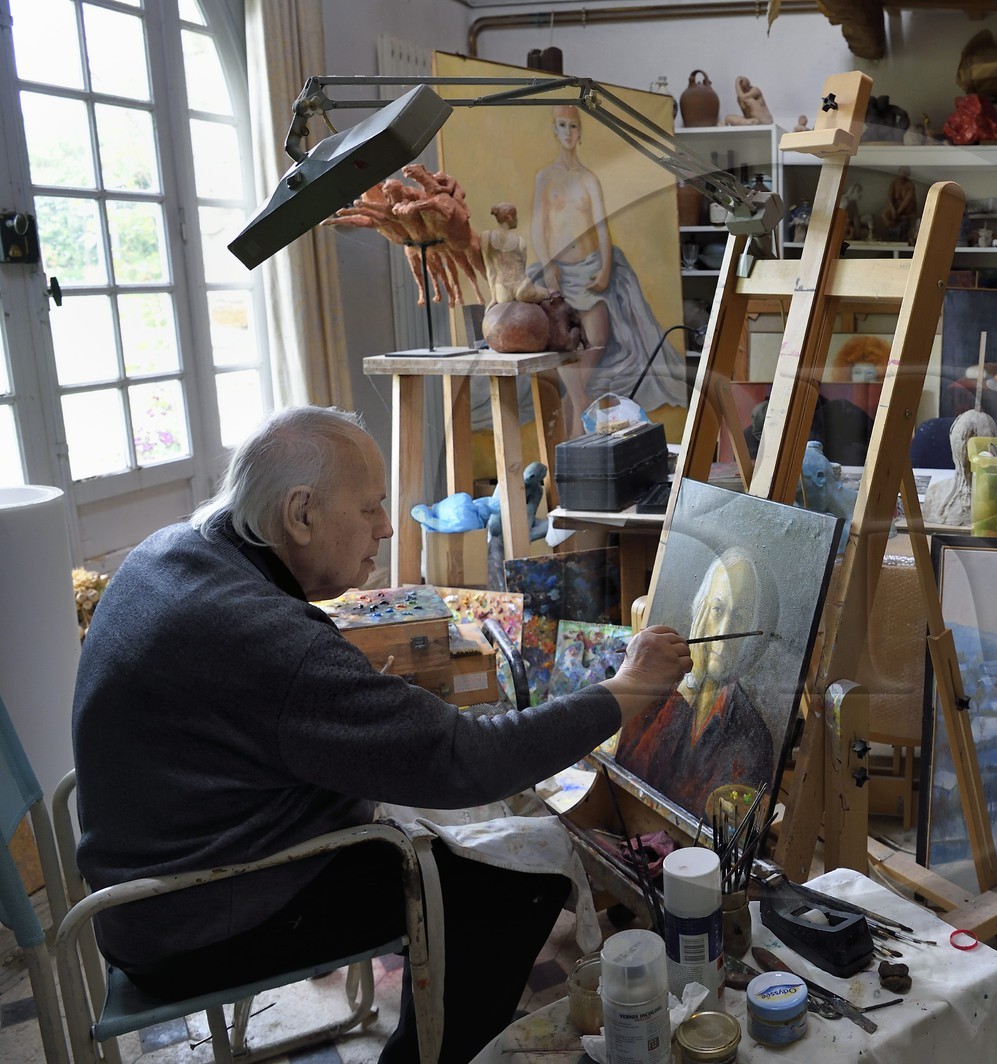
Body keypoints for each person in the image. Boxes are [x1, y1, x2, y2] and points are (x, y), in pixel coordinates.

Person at [71, 406, 691, 1064]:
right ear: (301, 513)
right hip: (193, 922)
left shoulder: (175, 549)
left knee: (447, 824)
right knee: (517, 879)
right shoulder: (267, 639)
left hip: (142, 885)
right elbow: (467, 762)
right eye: (369, 508)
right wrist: (629, 689)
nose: (387, 526)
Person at [529, 105, 685, 428]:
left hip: (590, 271)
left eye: (574, 126)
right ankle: (580, 413)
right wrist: (547, 265)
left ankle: (574, 402)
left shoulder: (589, 179)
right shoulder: (545, 177)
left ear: (580, 132)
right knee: (562, 341)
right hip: (560, 275)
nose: (569, 132)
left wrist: (604, 269)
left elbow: (601, 228)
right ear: (554, 130)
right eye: (563, 125)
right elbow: (537, 228)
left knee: (596, 339)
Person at [614, 546, 776, 813]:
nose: (724, 632)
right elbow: (632, 777)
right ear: (699, 613)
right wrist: (692, 680)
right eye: (717, 610)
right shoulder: (657, 693)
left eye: (739, 616)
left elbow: (716, 818)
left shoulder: (752, 735)